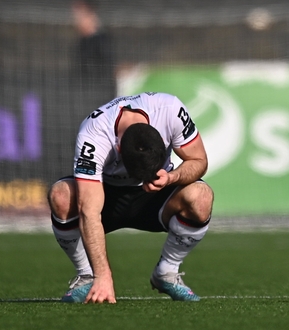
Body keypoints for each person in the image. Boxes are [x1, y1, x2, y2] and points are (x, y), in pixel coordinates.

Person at [48, 92, 213, 303]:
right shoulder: (93, 135)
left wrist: (172, 177)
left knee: (201, 196)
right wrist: (103, 275)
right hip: (108, 194)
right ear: (118, 149)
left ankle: (167, 272)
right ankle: (87, 276)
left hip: (157, 195)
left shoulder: (170, 109)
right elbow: (88, 211)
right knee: (61, 195)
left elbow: (199, 160)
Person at [72, 0, 117, 102]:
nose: (76, 20)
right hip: (82, 98)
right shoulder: (81, 43)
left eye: (79, 16)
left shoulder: (103, 42)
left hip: (100, 100)